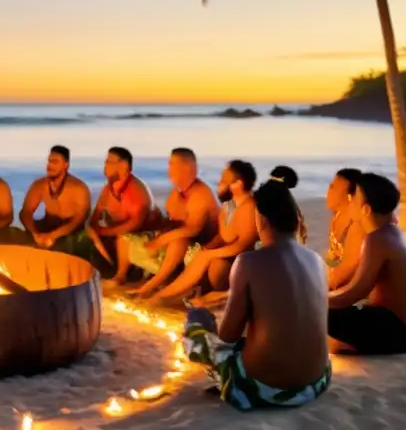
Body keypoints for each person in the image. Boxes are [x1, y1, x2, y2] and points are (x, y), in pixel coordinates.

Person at [182, 174, 331, 411]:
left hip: (265, 388)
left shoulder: (249, 263)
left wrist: (205, 316)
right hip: (317, 381)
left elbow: (228, 336)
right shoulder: (316, 260)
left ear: (261, 220)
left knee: (197, 322)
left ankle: (229, 380)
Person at [328, 172, 406, 355]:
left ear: (365, 209)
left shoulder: (377, 239)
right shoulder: (392, 233)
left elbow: (356, 291)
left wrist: (314, 299)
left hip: (401, 334)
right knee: (327, 311)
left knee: (317, 313)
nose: (350, 202)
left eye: (355, 198)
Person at [144, 160, 260, 304]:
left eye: (224, 181)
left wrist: (210, 254)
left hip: (242, 266)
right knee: (201, 257)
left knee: (213, 265)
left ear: (238, 184)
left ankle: (162, 296)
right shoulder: (228, 206)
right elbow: (223, 236)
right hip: (226, 258)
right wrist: (209, 247)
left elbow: (242, 245)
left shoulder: (250, 207)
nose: (219, 183)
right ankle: (167, 294)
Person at [122, 148, 219, 297]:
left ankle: (152, 285)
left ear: (187, 167)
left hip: (201, 248)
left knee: (178, 241)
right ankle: (122, 276)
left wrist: (161, 240)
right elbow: (171, 220)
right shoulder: (178, 191)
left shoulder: (201, 194)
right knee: (126, 237)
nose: (169, 169)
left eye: (172, 164)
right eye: (169, 164)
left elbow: (193, 229)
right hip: (179, 244)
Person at [84, 147, 160, 281]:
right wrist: (93, 232)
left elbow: (136, 223)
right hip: (117, 238)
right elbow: (95, 217)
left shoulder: (137, 189)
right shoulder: (107, 190)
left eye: (109, 161)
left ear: (124, 166)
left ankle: (121, 276)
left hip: (145, 239)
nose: (105, 165)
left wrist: (105, 232)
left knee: (123, 237)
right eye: (105, 161)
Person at [15, 145, 92, 253]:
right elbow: (25, 212)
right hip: (47, 227)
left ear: (66, 165)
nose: (50, 165)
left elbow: (79, 219)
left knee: (72, 243)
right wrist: (35, 233)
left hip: (69, 232)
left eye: (55, 162)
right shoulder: (39, 185)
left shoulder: (78, 188)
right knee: (14, 234)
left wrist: (53, 236)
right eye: (49, 161)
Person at [325, 168, 364, 289]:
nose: (328, 192)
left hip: (354, 291)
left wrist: (328, 287)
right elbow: (334, 258)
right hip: (338, 285)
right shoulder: (336, 216)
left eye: (333, 187)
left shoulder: (356, 224)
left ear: (349, 196)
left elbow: (351, 264)